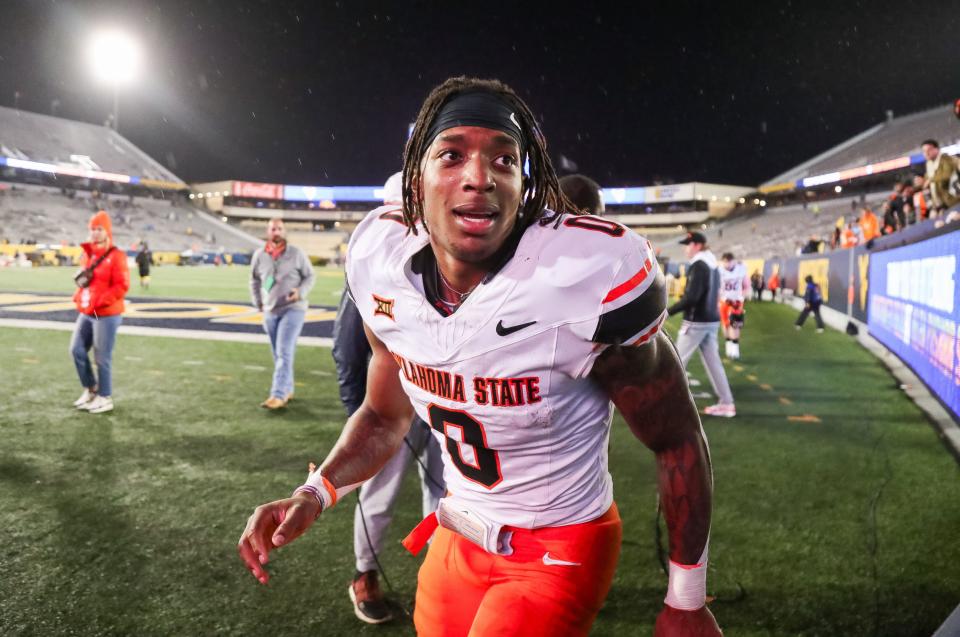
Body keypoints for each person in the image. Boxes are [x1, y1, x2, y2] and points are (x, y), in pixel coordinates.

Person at [238, 76, 720, 637]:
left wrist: (685, 600)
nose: (478, 177)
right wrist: (315, 491)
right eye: (451, 155)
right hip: (458, 530)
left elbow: (677, 437)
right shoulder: (381, 263)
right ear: (416, 182)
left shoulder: (579, 281)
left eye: (504, 160)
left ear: (524, 183)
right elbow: (384, 415)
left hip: (559, 541)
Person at [333, 173, 445, 624]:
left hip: (443, 405)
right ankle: (365, 575)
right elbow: (346, 346)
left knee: (446, 493)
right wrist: (359, 411)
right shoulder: (374, 264)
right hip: (392, 404)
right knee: (378, 495)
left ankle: (439, 576)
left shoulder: (452, 257)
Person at [667, 232, 736, 417]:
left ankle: (663, 404)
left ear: (697, 245)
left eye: (688, 244)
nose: (685, 248)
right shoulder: (712, 263)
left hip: (696, 322)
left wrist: (668, 312)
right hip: (711, 320)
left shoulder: (699, 265)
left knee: (675, 362)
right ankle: (727, 403)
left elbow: (692, 298)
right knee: (714, 364)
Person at [249, 218, 316, 409]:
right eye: (273, 229)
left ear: (284, 231)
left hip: (293, 309)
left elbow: (310, 276)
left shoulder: (296, 253)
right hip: (270, 310)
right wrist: (257, 301)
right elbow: (254, 280)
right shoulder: (259, 255)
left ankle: (277, 395)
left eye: (279, 228)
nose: (276, 231)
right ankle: (287, 389)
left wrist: (300, 292)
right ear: (267, 231)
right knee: (278, 353)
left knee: (284, 352)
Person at [70, 210, 129, 414]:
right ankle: (91, 389)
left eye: (99, 229)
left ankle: (105, 397)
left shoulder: (117, 255)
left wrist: (99, 301)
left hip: (107, 313)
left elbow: (122, 285)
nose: (95, 233)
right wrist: (79, 296)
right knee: (76, 350)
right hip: (89, 311)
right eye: (92, 229)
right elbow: (86, 282)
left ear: (107, 231)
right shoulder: (88, 254)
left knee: (102, 357)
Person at [718, 252, 749, 360]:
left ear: (733, 261)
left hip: (736, 302)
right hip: (724, 301)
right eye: (725, 261)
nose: (727, 264)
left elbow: (746, 286)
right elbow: (716, 288)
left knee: (735, 324)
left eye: (729, 261)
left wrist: (741, 298)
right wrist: (719, 299)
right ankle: (728, 343)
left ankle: (735, 347)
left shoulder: (741, 269)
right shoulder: (719, 271)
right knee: (725, 324)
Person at [922, 139, 960, 214]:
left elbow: (948, 174)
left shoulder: (946, 159)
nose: (926, 153)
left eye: (929, 150)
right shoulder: (929, 165)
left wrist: (931, 180)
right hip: (944, 204)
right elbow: (926, 182)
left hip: (955, 200)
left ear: (936, 149)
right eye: (924, 151)